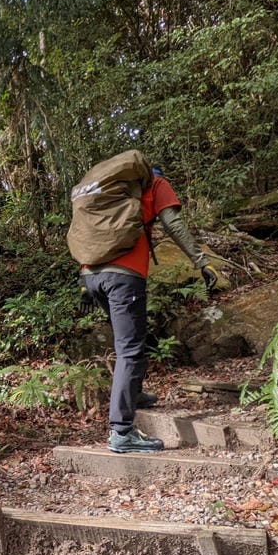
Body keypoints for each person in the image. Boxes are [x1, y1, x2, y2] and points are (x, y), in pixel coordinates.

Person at [79, 164, 220, 453]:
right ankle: (122, 432)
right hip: (124, 275)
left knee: (132, 338)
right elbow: (174, 224)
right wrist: (201, 262)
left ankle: (135, 394)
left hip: (92, 275)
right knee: (130, 349)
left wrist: (84, 283)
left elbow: (89, 235)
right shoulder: (156, 183)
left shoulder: (107, 190)